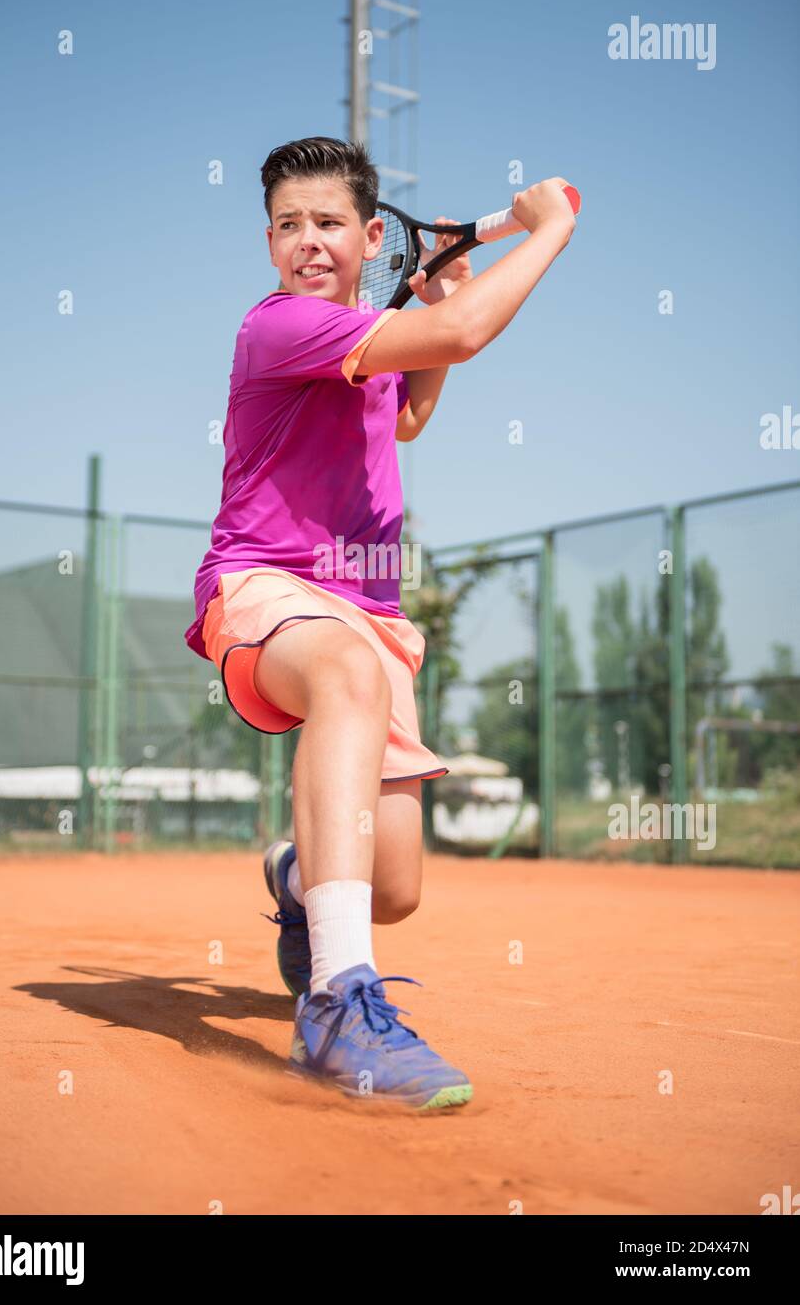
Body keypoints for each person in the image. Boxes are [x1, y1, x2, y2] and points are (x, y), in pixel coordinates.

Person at [184, 136, 577, 1109]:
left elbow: (408, 412)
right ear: (268, 241)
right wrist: (552, 227)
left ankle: (295, 883)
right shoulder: (278, 327)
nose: (306, 242)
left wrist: (441, 295)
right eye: (287, 225)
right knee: (347, 680)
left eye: (326, 223)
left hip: (371, 612)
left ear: (371, 238)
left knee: (393, 888)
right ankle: (337, 1006)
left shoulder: (365, 337)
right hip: (265, 587)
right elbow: (463, 341)